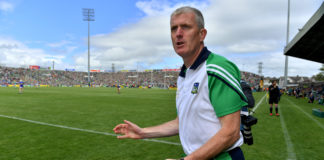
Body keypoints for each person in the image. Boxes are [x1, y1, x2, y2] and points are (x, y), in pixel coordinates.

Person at [113, 6, 247, 160]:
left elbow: (231, 132)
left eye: (186, 27)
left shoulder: (216, 68)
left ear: (202, 34)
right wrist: (143, 132)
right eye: (173, 29)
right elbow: (181, 122)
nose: (178, 33)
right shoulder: (184, 75)